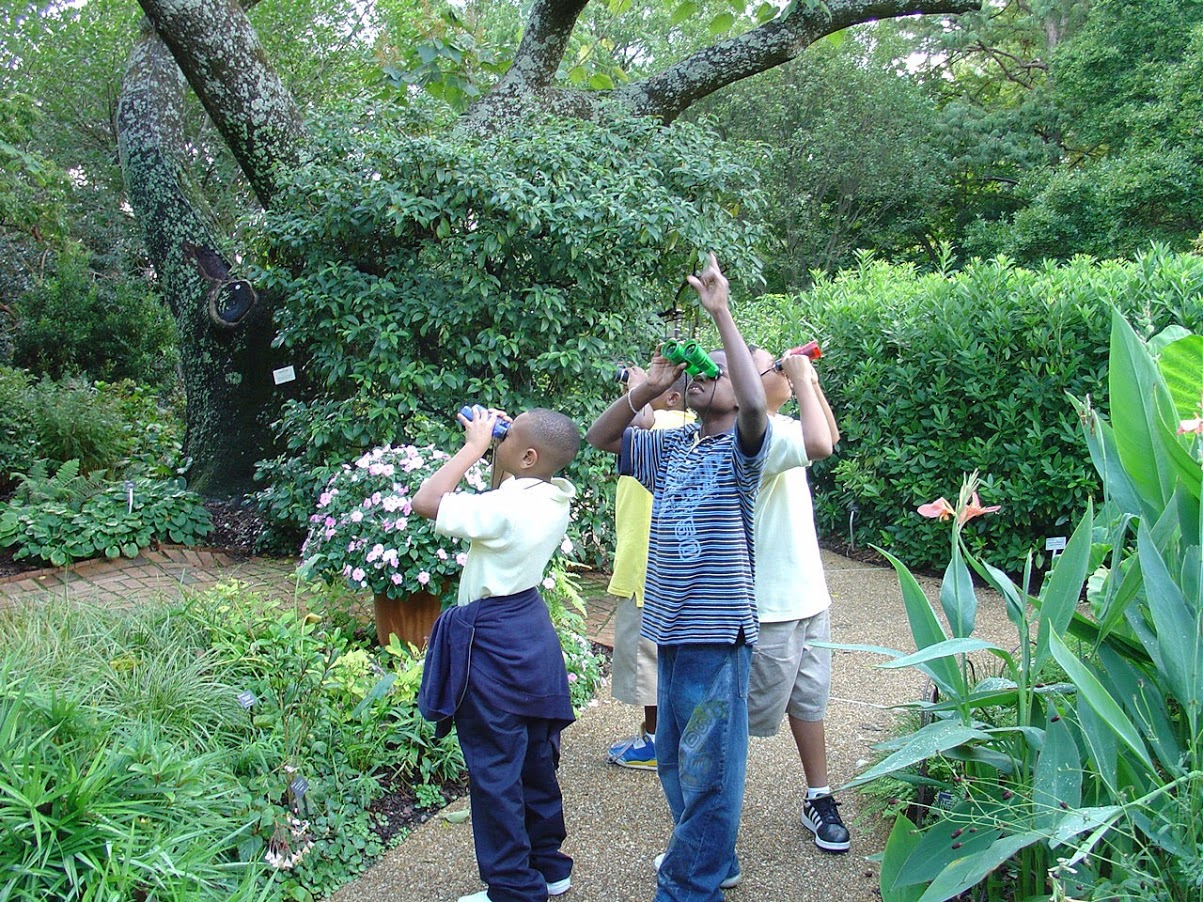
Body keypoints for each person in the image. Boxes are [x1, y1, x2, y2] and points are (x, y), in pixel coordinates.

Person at [586, 253, 769, 902]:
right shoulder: (670, 445)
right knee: (674, 762)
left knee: (709, 770)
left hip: (718, 635)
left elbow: (750, 400)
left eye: (712, 372)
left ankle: (687, 886)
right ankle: (712, 859)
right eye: (694, 371)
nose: (700, 377)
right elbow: (599, 437)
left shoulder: (742, 449)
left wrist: (720, 314)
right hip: (671, 630)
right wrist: (646, 385)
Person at [414, 406, 582, 902]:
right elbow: (508, 483)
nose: (495, 437)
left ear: (528, 456)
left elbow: (427, 500)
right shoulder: (553, 495)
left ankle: (512, 886)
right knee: (533, 759)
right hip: (529, 630)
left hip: (493, 641)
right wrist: (503, 447)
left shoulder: (507, 510)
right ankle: (549, 866)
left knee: (494, 767)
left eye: (509, 436)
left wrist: (472, 447)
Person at [747, 345, 851, 853]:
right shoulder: (757, 435)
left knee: (809, 704)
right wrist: (802, 377)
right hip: (770, 608)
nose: (785, 372)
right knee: (744, 718)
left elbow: (829, 434)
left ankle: (819, 794)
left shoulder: (786, 425)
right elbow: (822, 446)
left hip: (809, 599)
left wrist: (808, 379)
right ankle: (710, 814)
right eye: (774, 367)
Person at [605, 368, 692, 770]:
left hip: (644, 570)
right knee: (669, 662)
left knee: (647, 663)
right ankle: (673, 738)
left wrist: (639, 390)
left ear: (672, 398)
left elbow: (625, 427)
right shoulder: (694, 428)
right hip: (675, 570)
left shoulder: (662, 426)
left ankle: (657, 742)